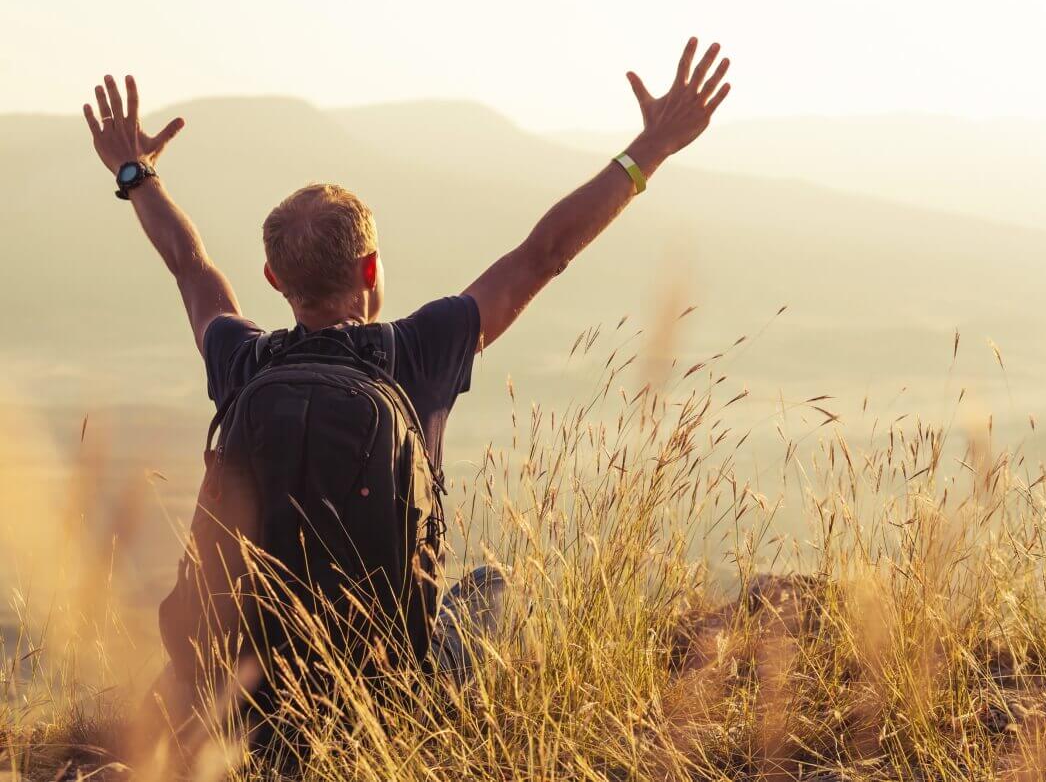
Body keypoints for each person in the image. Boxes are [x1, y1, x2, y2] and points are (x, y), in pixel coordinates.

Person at [82, 38, 732, 735]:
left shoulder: (243, 364)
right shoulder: (419, 350)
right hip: (389, 696)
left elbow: (191, 265)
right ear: (370, 271)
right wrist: (650, 150)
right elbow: (544, 253)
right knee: (493, 591)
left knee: (181, 668)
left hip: (246, 693)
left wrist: (136, 172)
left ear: (275, 281)